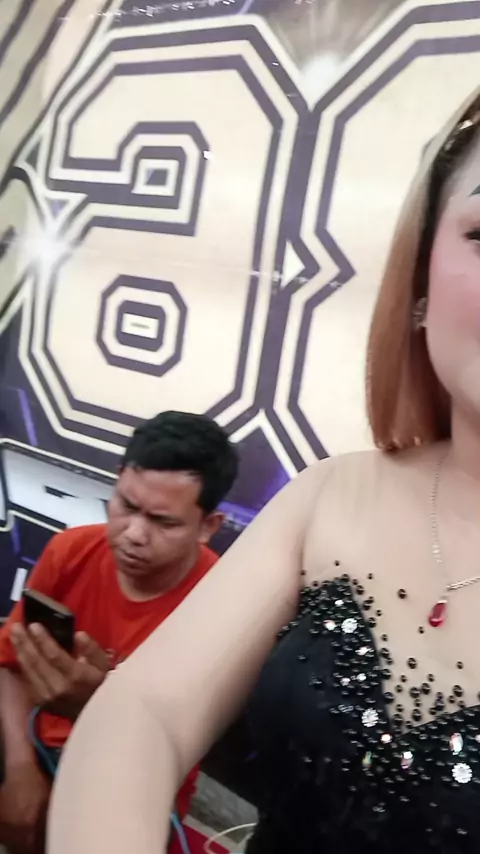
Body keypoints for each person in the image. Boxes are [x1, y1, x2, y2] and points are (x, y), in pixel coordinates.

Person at [48, 85, 480, 854]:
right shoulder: (333, 495)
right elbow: (143, 711)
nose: (134, 533)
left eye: (161, 517)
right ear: (420, 277)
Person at [0, 411, 238, 854]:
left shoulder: (221, 606)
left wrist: (98, 709)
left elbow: (179, 746)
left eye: (164, 522)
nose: (134, 535)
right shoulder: (70, 550)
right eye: (127, 506)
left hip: (136, 781)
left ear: (208, 527)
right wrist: (19, 771)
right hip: (38, 748)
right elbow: (10, 666)